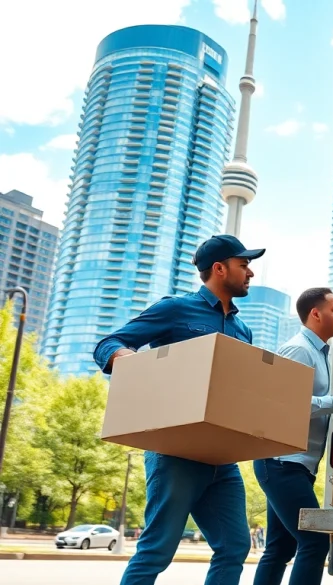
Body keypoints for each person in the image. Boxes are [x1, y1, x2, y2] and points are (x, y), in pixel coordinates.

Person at [93, 234, 266, 585]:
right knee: (158, 549)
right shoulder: (175, 309)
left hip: (222, 459)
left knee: (235, 546)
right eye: (244, 264)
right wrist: (134, 361)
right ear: (219, 268)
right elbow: (108, 343)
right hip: (175, 451)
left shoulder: (242, 329)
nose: (250, 273)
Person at [253, 287, 333, 585]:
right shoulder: (299, 350)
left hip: (294, 465)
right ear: (315, 314)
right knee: (315, 542)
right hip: (280, 463)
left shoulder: (318, 352)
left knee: (280, 547)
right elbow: (284, 403)